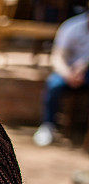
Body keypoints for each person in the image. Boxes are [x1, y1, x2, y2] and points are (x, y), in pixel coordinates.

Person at [33, 7, 89, 146]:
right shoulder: (71, 27)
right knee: (53, 85)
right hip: (67, 72)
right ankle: (48, 126)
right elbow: (57, 57)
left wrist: (84, 65)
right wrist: (68, 74)